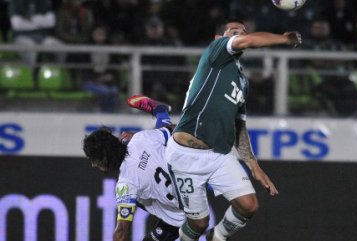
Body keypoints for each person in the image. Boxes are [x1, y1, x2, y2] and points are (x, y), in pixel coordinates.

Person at [165, 18, 302, 241]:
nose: (240, 34)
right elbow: (247, 41)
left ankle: (216, 238)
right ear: (220, 38)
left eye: (243, 31)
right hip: (186, 155)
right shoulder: (216, 53)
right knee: (198, 223)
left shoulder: (242, 81)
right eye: (234, 31)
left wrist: (254, 165)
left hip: (218, 154)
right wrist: (284, 39)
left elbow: (239, 126)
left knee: (249, 205)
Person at [83, 94, 184, 241]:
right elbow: (174, 130)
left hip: (179, 217)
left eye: (94, 160)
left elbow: (121, 232)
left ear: (104, 158)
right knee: (161, 138)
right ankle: (161, 112)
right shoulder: (139, 138)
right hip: (191, 188)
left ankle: (161, 112)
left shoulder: (126, 184)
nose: (93, 164)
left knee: (131, 197)